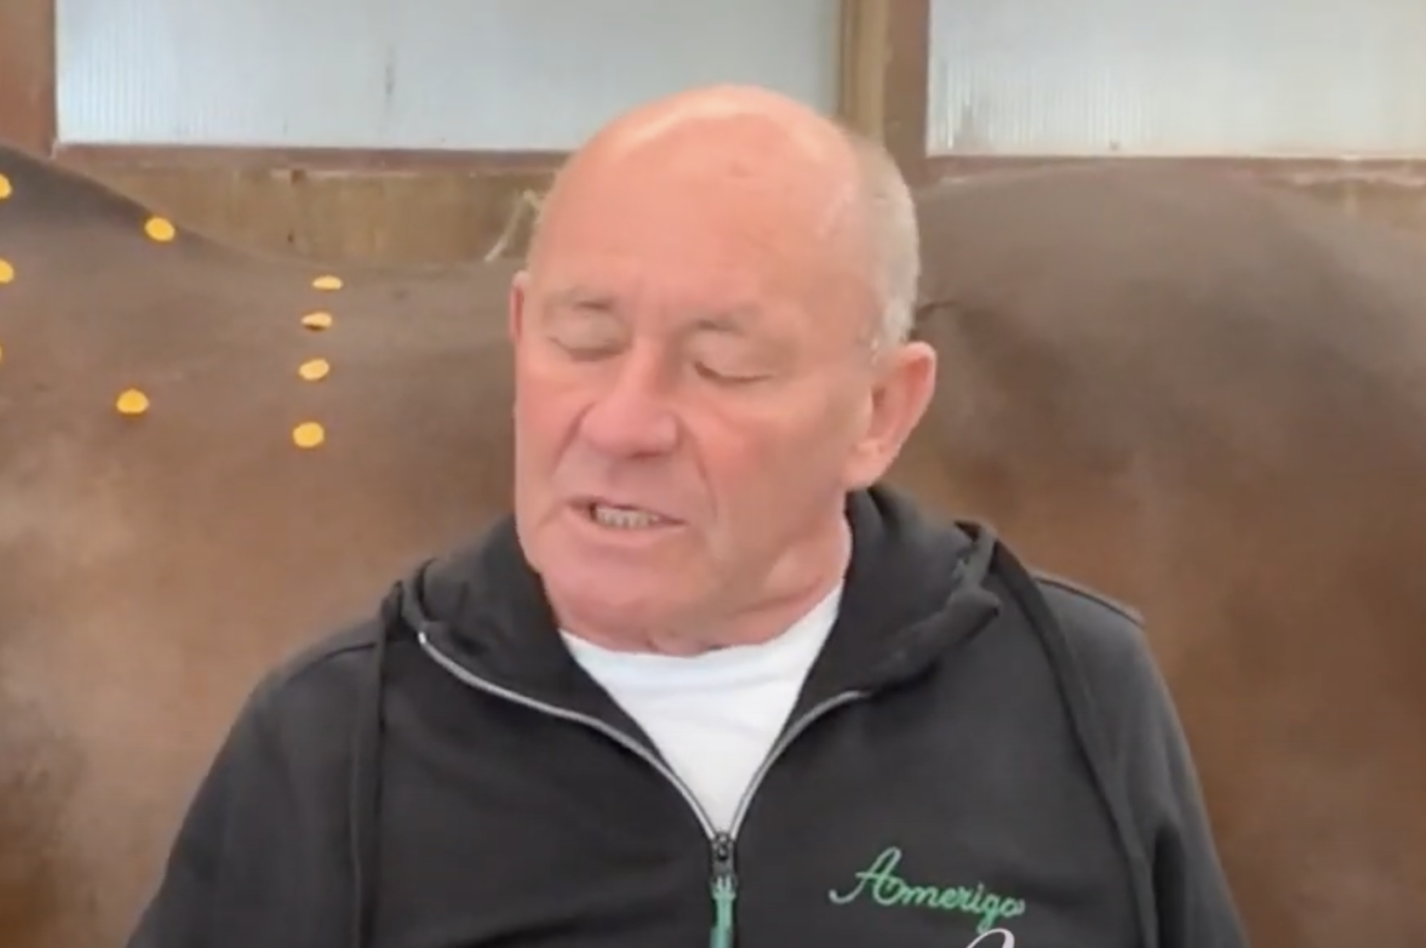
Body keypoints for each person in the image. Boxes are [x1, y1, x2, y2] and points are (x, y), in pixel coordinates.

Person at [123, 85, 1248, 948]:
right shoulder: (333, 743)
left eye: (723, 366)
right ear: (518, 336)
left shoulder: (1074, 693)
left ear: (879, 412)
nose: (622, 424)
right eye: (584, 340)